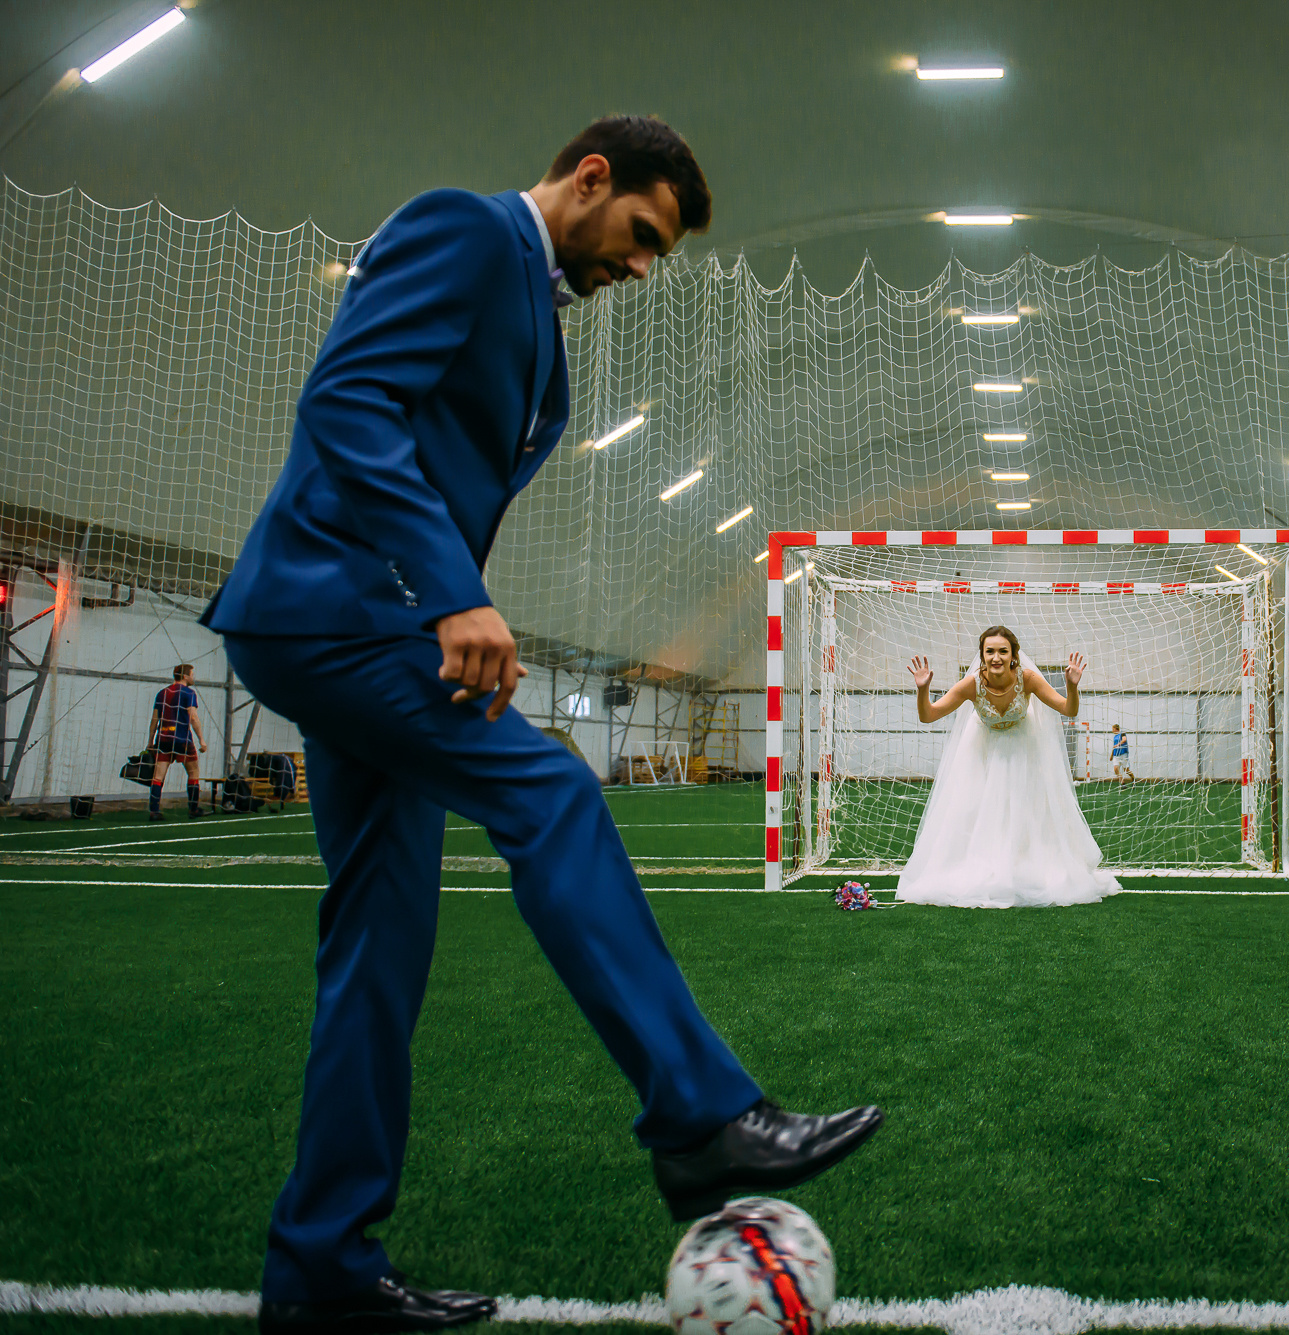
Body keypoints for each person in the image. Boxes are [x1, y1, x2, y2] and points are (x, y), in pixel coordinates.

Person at [199, 117, 880, 1335]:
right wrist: (454, 595)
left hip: (378, 632)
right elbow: (347, 402)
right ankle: (697, 1118)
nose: (641, 267)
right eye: (641, 237)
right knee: (552, 793)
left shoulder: (539, 308)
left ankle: (320, 1273)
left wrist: (448, 608)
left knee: (377, 955)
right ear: (591, 178)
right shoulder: (463, 228)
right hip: (338, 615)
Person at [899, 626, 1121, 908]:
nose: (996, 657)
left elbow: (1068, 709)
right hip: (982, 755)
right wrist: (923, 690)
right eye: (989, 651)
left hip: (1024, 753)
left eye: (1003, 651)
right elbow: (928, 716)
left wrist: (1072, 687)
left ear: (1014, 655)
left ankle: (1023, 869)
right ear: (981, 655)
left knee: (1025, 814)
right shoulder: (971, 684)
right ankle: (985, 870)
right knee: (978, 812)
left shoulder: (1027, 679)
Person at [148, 662, 207, 821]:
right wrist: (202, 740)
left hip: (164, 739)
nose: (194, 677)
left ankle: (154, 811)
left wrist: (150, 741)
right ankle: (193, 809)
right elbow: (193, 717)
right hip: (182, 739)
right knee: (193, 772)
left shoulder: (162, 693)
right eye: (193, 674)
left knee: (158, 776)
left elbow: (155, 719)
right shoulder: (189, 693)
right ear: (186, 676)